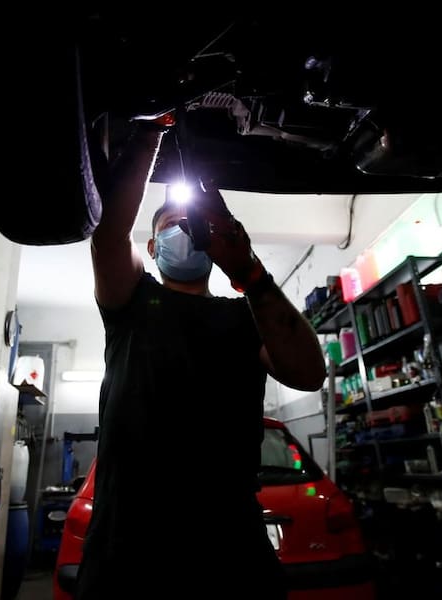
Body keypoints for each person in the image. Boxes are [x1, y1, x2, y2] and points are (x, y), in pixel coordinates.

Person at [74, 119, 327, 599]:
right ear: (152, 248)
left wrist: (250, 273)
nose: (184, 234)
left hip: (230, 557)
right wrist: (150, 130)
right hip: (127, 557)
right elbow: (108, 236)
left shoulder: (247, 317)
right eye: (170, 226)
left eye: (193, 227)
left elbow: (310, 373)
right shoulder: (132, 302)